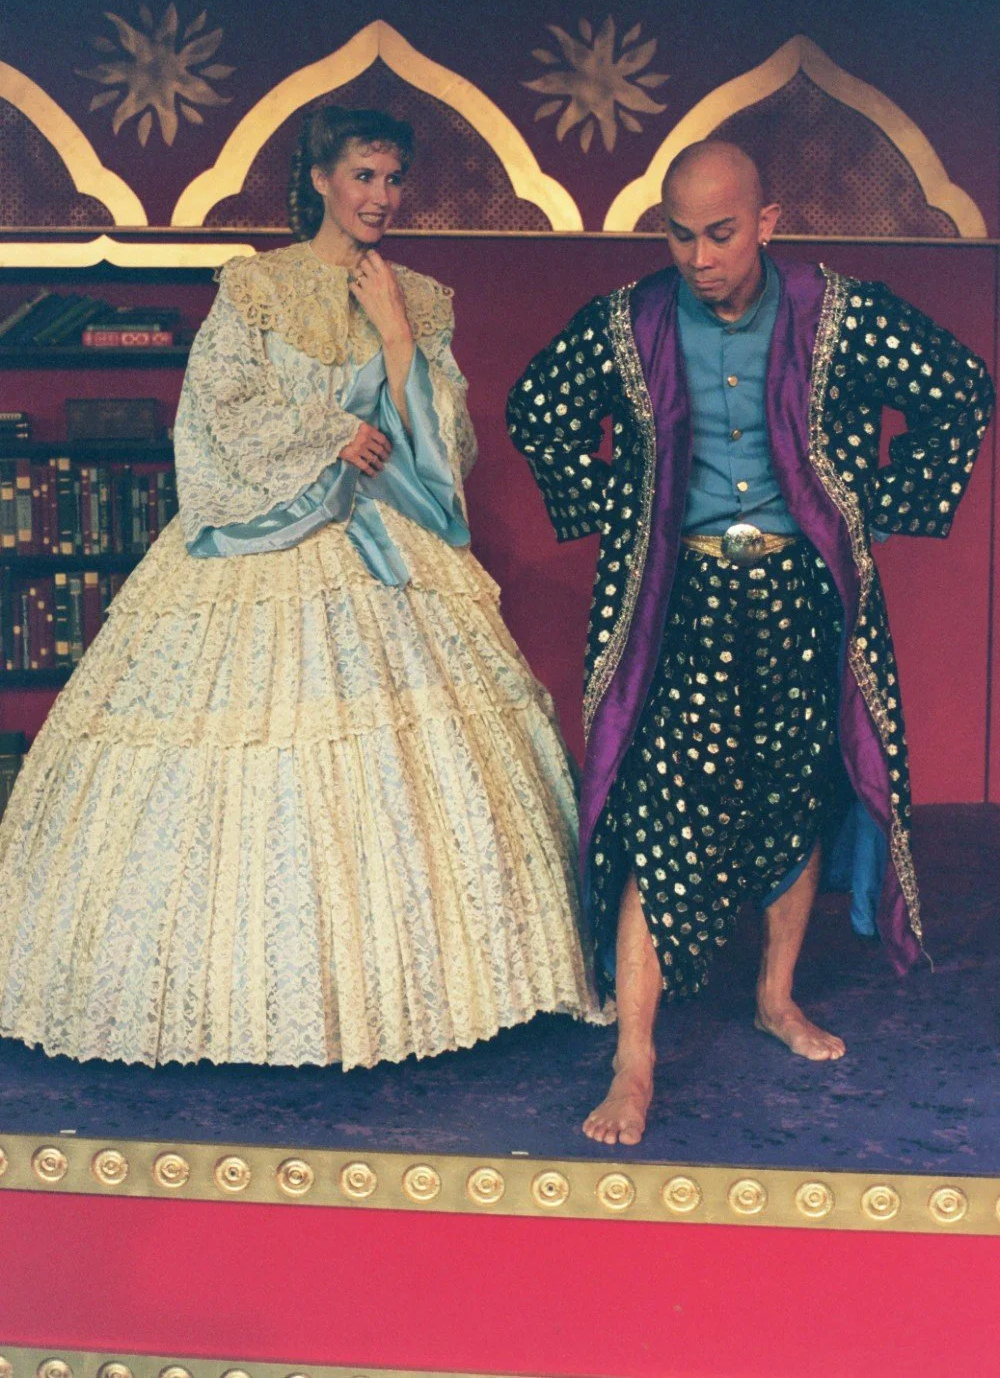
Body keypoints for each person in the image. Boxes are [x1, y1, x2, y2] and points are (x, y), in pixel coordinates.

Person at [0, 105, 605, 1068]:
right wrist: (327, 429)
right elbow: (216, 414)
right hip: (268, 539)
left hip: (390, 550)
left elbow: (443, 454)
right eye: (364, 176)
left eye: (394, 179)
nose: (380, 197)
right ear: (320, 177)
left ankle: (420, 992)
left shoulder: (420, 297)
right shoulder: (259, 288)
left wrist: (399, 335)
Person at [507, 140, 994, 1145]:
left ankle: (774, 997)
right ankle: (633, 1056)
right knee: (661, 806)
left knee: (792, 793)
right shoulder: (632, 322)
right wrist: (625, 508)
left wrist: (869, 510)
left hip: (795, 593)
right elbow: (538, 412)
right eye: (679, 235)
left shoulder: (838, 314)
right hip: (679, 596)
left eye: (720, 234)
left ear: (766, 222)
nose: (697, 256)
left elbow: (961, 387)